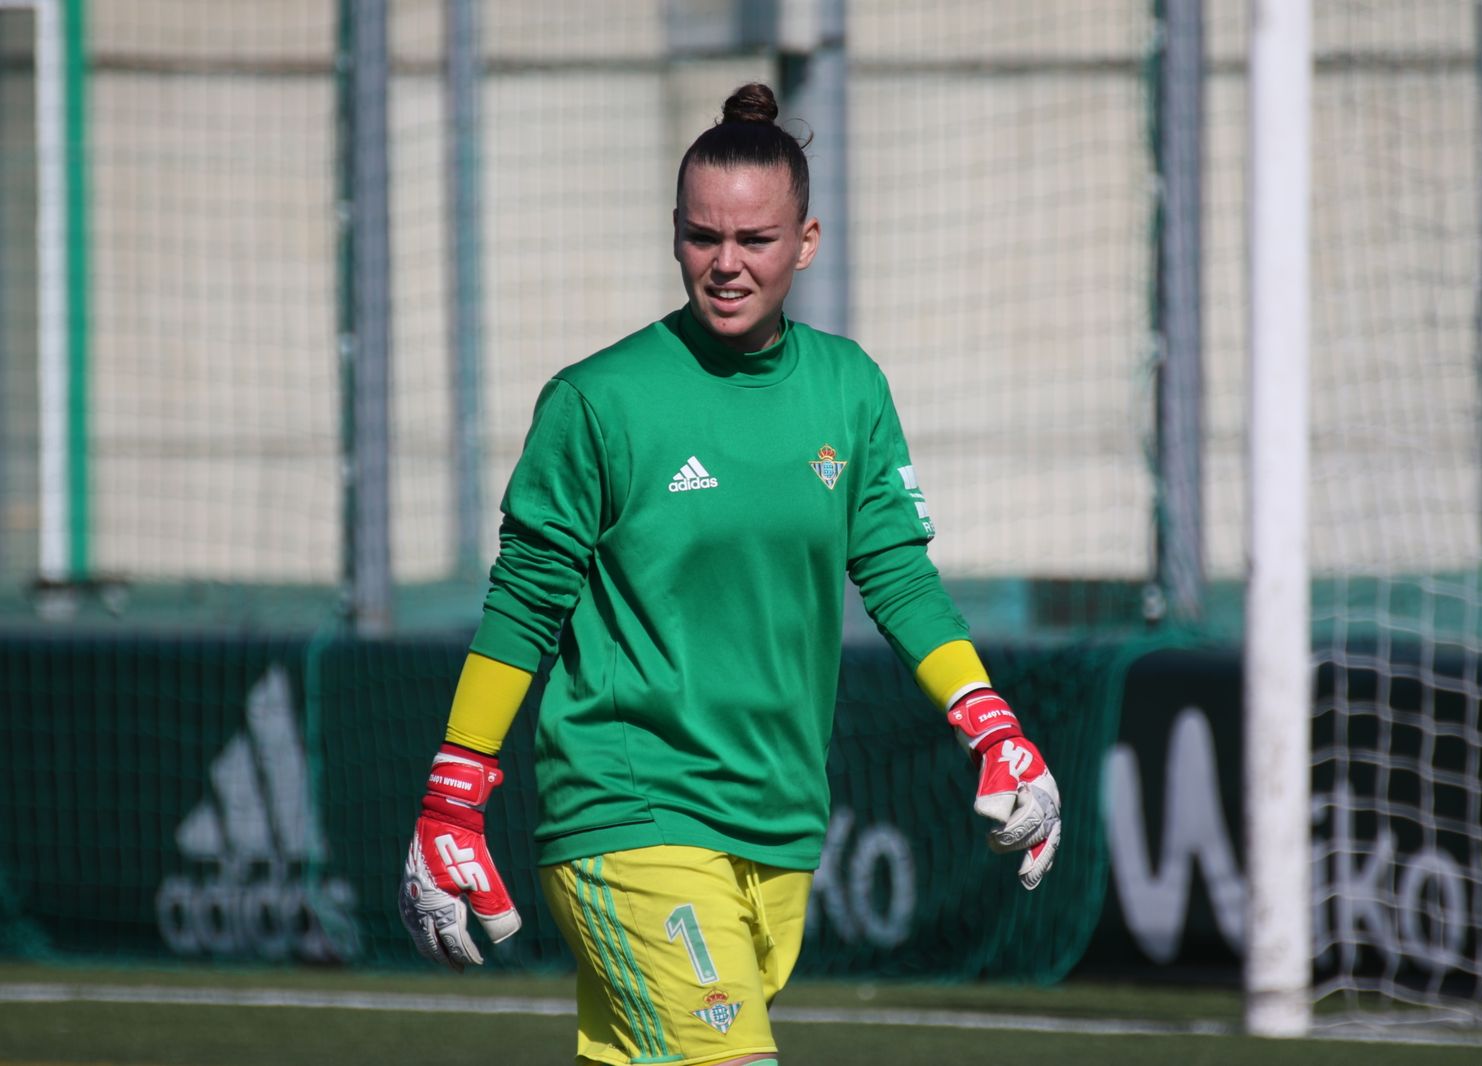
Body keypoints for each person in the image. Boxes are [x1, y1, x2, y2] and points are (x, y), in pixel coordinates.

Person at [398, 82, 1061, 1066]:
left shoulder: (850, 387)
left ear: (806, 240)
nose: (726, 263)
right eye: (703, 236)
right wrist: (453, 794)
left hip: (779, 821)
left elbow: (896, 577)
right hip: (629, 810)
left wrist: (992, 725)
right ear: (674, 236)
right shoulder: (598, 401)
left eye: (754, 238)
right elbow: (524, 604)